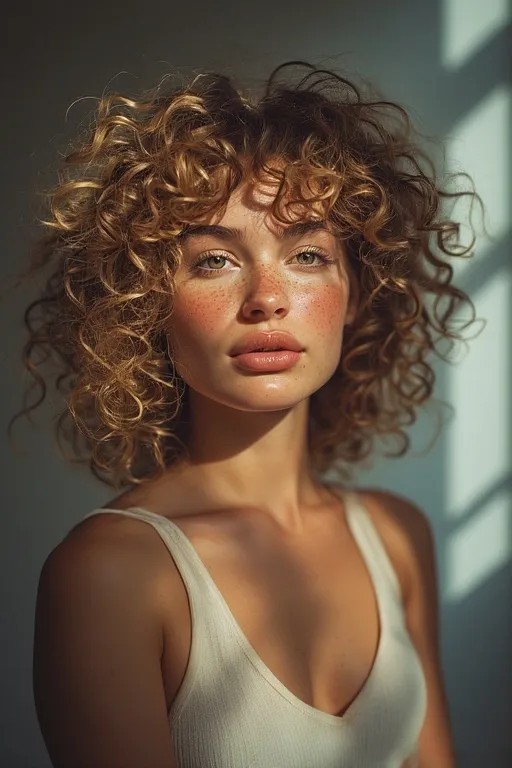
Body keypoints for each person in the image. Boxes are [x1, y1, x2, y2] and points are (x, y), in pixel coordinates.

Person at [11, 59, 480, 767]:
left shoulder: (396, 537)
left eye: (308, 254)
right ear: (147, 308)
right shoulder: (112, 572)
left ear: (357, 293)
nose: (267, 296)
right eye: (213, 262)